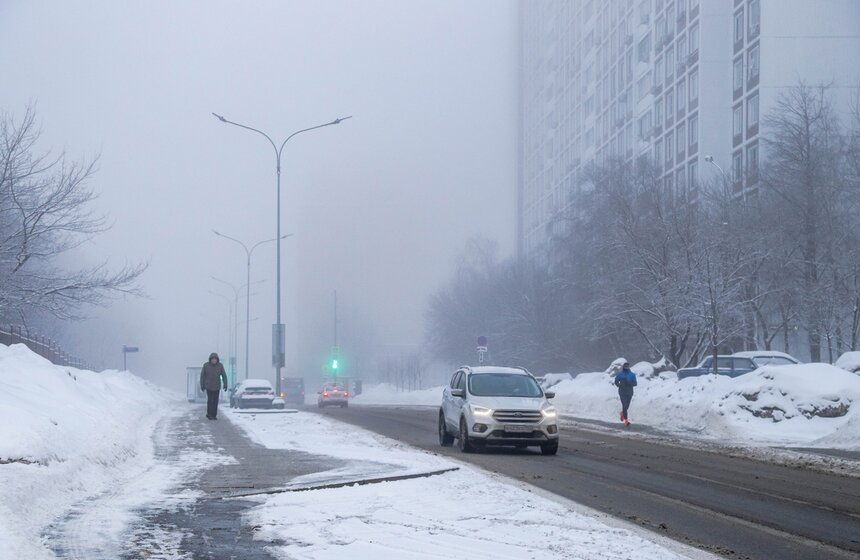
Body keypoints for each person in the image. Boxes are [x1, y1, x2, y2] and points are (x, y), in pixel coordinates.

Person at [200, 352, 228, 420]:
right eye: (212, 359)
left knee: (215, 402)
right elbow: (202, 376)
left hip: (217, 387)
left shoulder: (220, 366)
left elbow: (223, 375)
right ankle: (209, 414)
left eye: (215, 359)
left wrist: (225, 384)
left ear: (217, 359)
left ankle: (214, 415)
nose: (214, 360)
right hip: (209, 386)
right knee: (210, 401)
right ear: (210, 359)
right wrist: (202, 385)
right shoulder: (206, 366)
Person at [614, 362, 637, 426]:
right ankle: (626, 420)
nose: (626, 367)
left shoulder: (632, 375)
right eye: (625, 366)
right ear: (623, 367)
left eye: (627, 366)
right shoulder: (620, 374)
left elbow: (635, 383)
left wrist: (630, 383)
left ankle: (622, 413)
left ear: (629, 367)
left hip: (630, 392)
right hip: (622, 392)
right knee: (624, 405)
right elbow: (616, 381)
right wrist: (619, 385)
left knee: (627, 406)